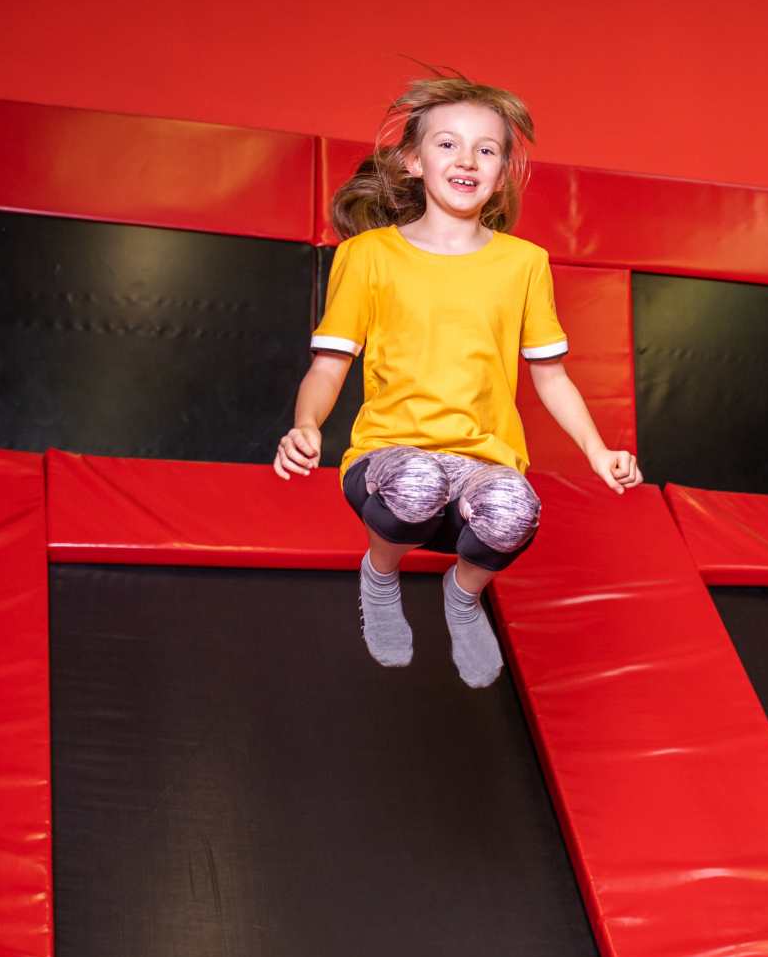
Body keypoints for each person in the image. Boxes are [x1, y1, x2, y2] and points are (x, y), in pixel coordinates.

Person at [274, 73, 643, 687]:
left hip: (483, 458)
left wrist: (597, 449)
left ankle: (463, 597)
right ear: (414, 162)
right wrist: (306, 426)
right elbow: (330, 364)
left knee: (514, 511)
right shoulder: (369, 257)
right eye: (447, 145)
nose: (467, 160)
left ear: (501, 175)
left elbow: (550, 377)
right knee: (416, 484)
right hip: (389, 458)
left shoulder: (523, 265)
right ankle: (381, 575)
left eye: (486, 149)